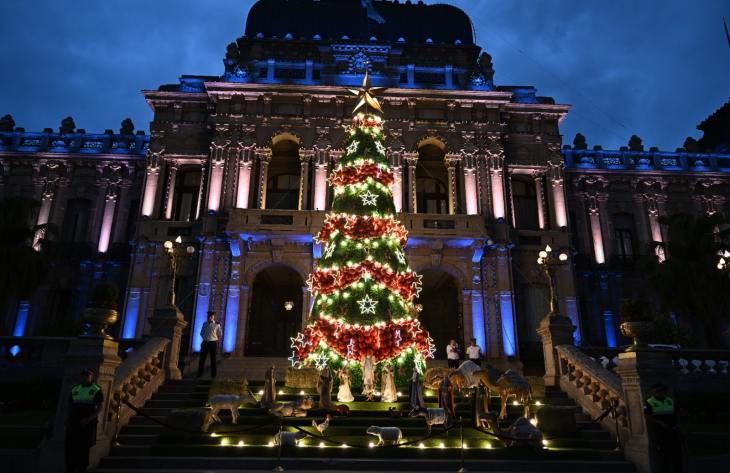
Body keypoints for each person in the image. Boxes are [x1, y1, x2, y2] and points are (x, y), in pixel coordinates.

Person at [65, 368, 103, 473]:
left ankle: (82, 468)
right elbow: (70, 405)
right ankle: (70, 467)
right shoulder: (75, 389)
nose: (85, 378)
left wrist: (88, 419)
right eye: (83, 376)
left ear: (92, 377)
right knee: (70, 446)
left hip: (87, 424)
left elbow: (99, 408)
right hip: (74, 422)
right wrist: (68, 418)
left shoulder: (96, 390)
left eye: (87, 376)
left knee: (83, 447)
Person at [644, 383, 683, 473]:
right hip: (659, 433)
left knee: (676, 456)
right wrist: (660, 423)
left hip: (672, 431)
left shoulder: (670, 400)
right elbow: (647, 416)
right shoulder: (649, 402)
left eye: (663, 391)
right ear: (654, 392)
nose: (661, 393)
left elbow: (677, 414)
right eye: (659, 391)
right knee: (662, 457)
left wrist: (678, 425)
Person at [197, 311, 222, 378]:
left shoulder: (217, 324)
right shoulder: (205, 324)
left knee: (213, 359)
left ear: (214, 317)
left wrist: (215, 339)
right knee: (202, 359)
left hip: (212, 343)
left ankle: (213, 375)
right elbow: (201, 333)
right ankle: (199, 374)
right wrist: (206, 338)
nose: (210, 317)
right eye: (209, 316)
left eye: (211, 316)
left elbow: (220, 334)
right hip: (205, 342)